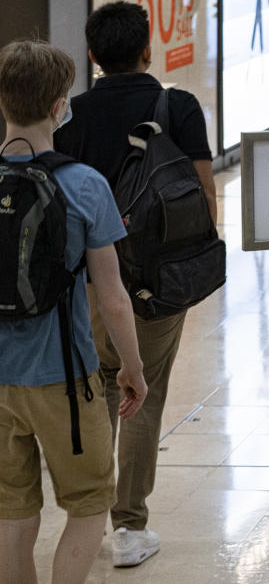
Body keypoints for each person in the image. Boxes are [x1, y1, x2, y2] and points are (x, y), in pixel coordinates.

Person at [52, 2, 215, 568]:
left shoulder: (70, 116)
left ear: (92, 56)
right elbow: (201, 195)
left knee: (97, 385)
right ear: (148, 49)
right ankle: (129, 525)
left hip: (92, 281)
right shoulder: (178, 106)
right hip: (161, 278)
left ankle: (92, 512)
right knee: (143, 394)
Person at [0, 40, 148, 584]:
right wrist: (132, 369)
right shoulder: (84, 185)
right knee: (88, 505)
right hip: (65, 379)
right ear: (62, 105)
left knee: (10, 512)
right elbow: (112, 297)